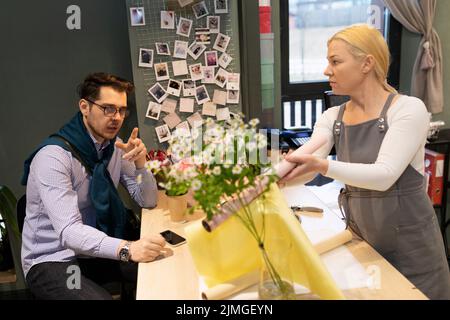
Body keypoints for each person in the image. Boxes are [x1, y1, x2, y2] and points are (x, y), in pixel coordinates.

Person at [280, 24, 450, 300]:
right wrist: (277, 177)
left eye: (335, 61)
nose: (326, 70)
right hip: (364, 244)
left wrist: (321, 166)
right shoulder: (332, 116)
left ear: (367, 63)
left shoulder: (408, 109)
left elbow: (384, 175)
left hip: (415, 255)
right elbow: (309, 162)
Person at [21, 73, 166, 300]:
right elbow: (70, 233)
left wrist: (140, 165)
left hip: (92, 251)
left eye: (121, 110)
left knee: (161, 270)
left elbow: (146, 200)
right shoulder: (53, 157)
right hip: (55, 260)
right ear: (85, 107)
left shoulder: (114, 148)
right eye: (108, 108)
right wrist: (128, 248)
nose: (117, 118)